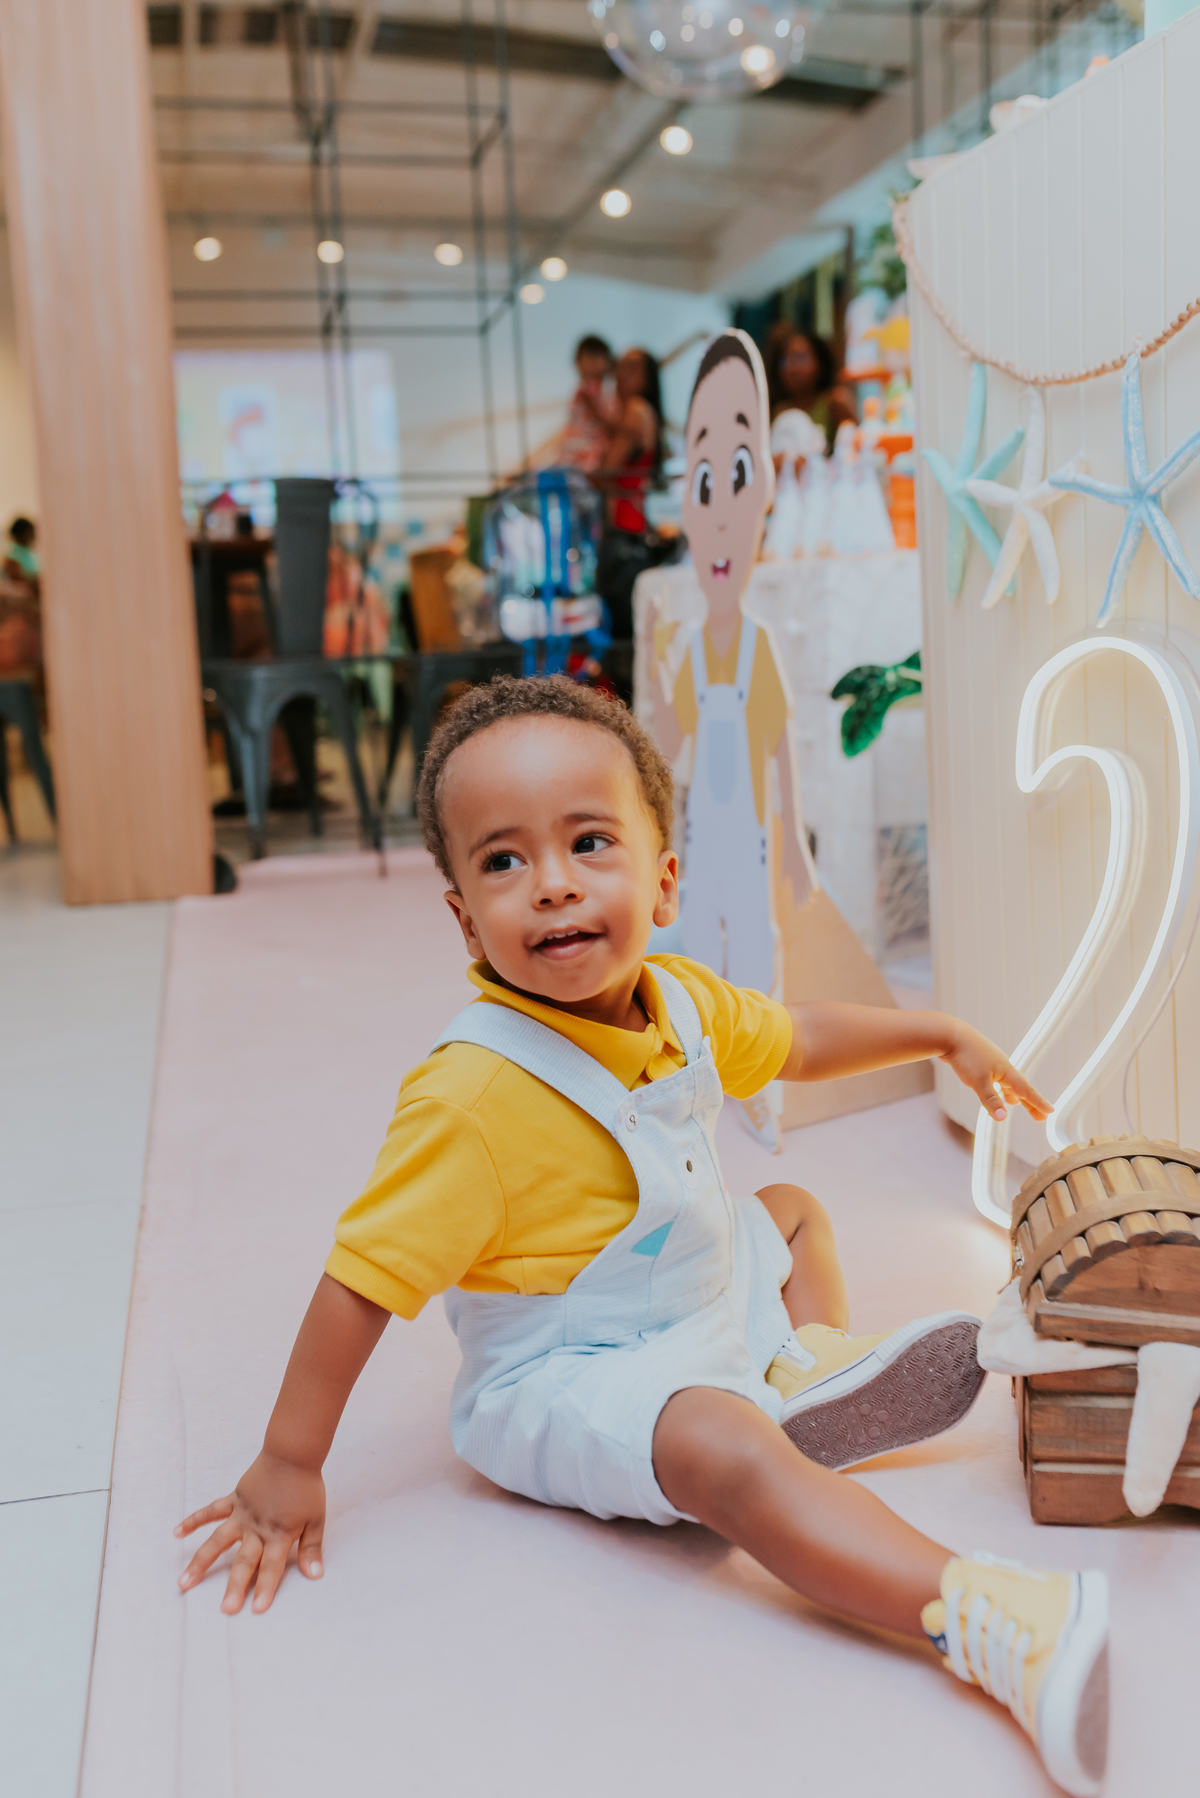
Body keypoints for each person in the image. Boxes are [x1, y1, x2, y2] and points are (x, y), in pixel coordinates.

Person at [175, 673, 1109, 1798]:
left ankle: (803, 1366)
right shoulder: (470, 1097)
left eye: (589, 842)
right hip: (576, 1368)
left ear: (662, 880)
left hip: (695, 1295)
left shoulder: (676, 998)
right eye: (504, 861)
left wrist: (941, 1032)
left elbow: (802, 1036)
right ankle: (989, 1612)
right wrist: (288, 1461)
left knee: (795, 1211)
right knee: (721, 1446)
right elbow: (359, 1283)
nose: (554, 885)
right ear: (464, 916)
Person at [594, 346, 669, 642]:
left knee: (623, 638)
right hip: (631, 534)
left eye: (632, 368)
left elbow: (606, 473)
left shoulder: (636, 410)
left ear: (649, 378)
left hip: (623, 536)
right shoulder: (643, 413)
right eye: (620, 368)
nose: (621, 376)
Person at [764, 320, 856, 453]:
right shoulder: (778, 411)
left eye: (801, 358)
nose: (792, 367)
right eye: (784, 360)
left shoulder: (834, 403)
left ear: (820, 363)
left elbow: (857, 447)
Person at [556, 334, 618, 475]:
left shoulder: (607, 390)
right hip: (579, 450)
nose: (590, 364)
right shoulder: (582, 391)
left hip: (593, 453)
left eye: (595, 358)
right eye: (586, 359)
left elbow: (605, 423)